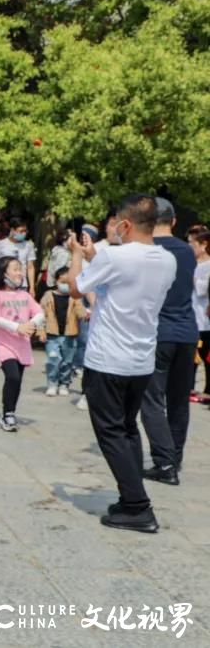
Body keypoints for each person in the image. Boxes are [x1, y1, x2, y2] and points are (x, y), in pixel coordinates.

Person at [68, 194, 177, 533]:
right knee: (128, 429)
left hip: (108, 359)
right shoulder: (167, 259)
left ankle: (137, 507)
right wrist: (94, 256)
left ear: (126, 224)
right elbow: (124, 278)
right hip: (141, 361)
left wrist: (76, 255)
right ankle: (131, 499)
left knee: (111, 433)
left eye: (115, 223)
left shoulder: (116, 256)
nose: (112, 228)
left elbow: (75, 288)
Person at [136, 198, 198, 486]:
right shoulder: (188, 251)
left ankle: (164, 462)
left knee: (151, 399)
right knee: (178, 400)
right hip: (187, 332)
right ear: (173, 221)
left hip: (158, 333)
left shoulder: (147, 251)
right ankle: (175, 456)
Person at [0, 257, 45, 432]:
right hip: (3, 344)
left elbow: (40, 312)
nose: (20, 273)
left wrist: (32, 325)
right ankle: (8, 414)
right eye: (15, 269)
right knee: (12, 376)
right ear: (3, 273)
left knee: (17, 380)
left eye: (20, 269)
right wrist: (18, 327)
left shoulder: (25, 295)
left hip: (22, 344)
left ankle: (10, 411)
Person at [40, 267, 86, 396]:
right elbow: (40, 314)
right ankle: (52, 383)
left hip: (69, 335)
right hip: (52, 334)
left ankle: (64, 383)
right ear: (56, 281)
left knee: (67, 361)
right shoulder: (48, 295)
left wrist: (86, 313)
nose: (65, 285)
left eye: (68, 283)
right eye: (63, 282)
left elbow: (81, 312)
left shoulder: (74, 297)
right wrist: (41, 331)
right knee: (53, 360)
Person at [0, 217, 38, 295]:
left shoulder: (28, 245)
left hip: (22, 285)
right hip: (5, 285)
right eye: (21, 231)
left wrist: (32, 287)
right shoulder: (1, 244)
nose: (24, 233)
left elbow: (30, 267)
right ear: (13, 230)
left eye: (25, 231)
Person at [190, 228, 210, 399]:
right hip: (191, 317)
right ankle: (189, 388)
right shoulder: (192, 264)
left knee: (206, 355)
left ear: (204, 245)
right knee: (192, 356)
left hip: (205, 319)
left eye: (193, 244)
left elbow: (203, 290)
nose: (191, 247)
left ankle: (208, 390)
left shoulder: (208, 266)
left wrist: (191, 278)